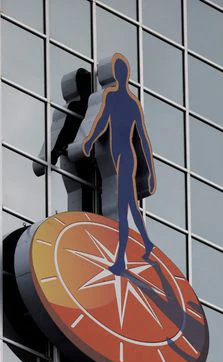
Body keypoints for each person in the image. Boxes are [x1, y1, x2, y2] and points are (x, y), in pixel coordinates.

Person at [68, 53, 157, 275]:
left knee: (121, 209)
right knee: (128, 206)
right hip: (116, 157)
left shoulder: (129, 102)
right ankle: (146, 243)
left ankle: (121, 260)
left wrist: (151, 173)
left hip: (125, 158)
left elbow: (143, 139)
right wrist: (87, 142)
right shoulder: (111, 97)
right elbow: (100, 122)